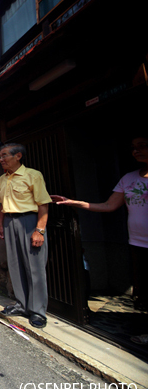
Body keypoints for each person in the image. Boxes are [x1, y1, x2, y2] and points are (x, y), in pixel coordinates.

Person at [51, 136, 148, 326]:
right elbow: (108, 205)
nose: (136, 150)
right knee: (144, 288)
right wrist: (72, 202)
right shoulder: (129, 178)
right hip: (137, 241)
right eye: (133, 147)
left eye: (142, 146)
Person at [0, 143, 52, 328]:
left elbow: (43, 204)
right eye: (0, 156)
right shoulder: (2, 179)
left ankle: (37, 311)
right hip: (9, 222)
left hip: (29, 221)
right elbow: (2, 205)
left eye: (4, 155)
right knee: (15, 265)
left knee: (34, 267)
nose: (1, 159)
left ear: (18, 156)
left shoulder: (33, 175)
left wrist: (39, 230)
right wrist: (1, 225)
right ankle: (21, 304)